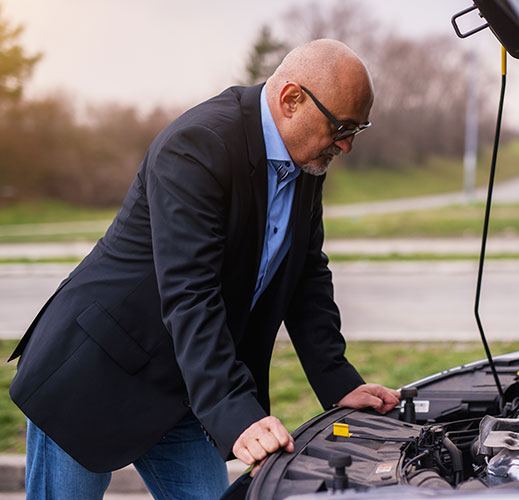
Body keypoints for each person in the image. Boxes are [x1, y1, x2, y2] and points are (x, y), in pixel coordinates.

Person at [8, 39, 399, 499]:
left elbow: (306, 274)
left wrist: (338, 381)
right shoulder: (197, 146)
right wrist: (237, 413)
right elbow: (190, 291)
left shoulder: (304, 160)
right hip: (95, 373)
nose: (347, 145)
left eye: (358, 129)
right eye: (342, 127)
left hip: (189, 384)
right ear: (291, 99)